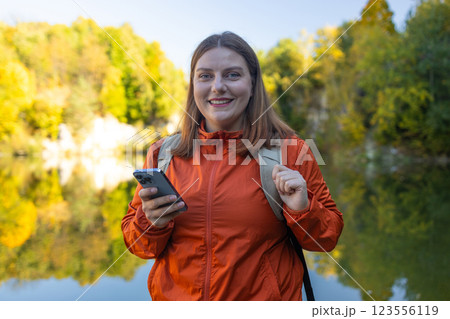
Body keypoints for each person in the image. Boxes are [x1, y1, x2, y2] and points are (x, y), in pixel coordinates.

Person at [121, 31, 343, 301]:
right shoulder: (162, 153)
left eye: (232, 75)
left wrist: (302, 208)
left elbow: (326, 239)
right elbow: (138, 246)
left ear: (252, 84)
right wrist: (152, 223)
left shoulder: (291, 151)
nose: (217, 86)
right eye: (205, 76)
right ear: (193, 86)